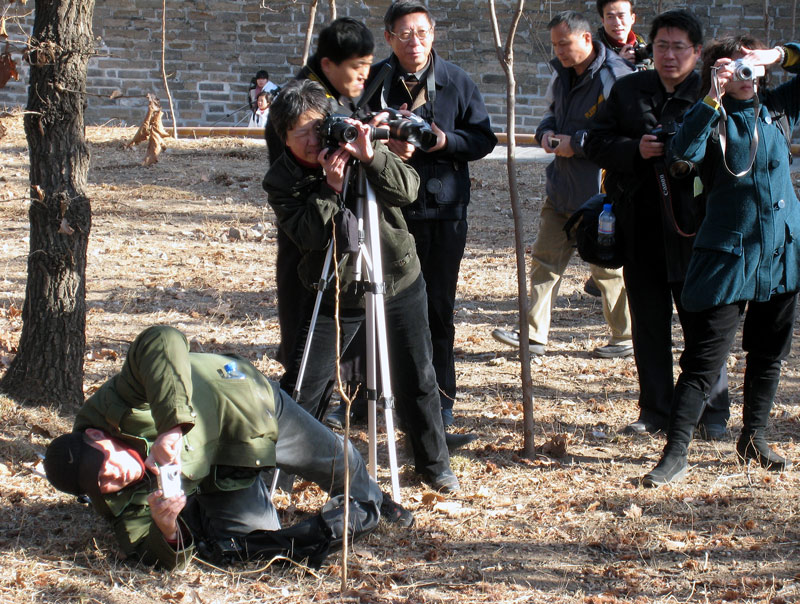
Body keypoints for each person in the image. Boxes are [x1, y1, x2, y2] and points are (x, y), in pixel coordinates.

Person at [42, 326, 412, 571]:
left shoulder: (116, 403)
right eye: (104, 484)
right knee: (258, 542)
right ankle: (215, 502)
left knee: (343, 462)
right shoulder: (107, 491)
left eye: (107, 465)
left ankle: (376, 501)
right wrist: (167, 529)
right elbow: (143, 546)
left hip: (247, 405)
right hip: (225, 472)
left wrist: (171, 427)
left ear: (98, 437)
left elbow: (162, 340)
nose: (116, 477)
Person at [263, 79, 473, 494]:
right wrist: (329, 188)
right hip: (336, 287)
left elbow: (408, 190)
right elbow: (306, 236)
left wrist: (372, 157)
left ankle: (434, 466)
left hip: (396, 274)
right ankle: (279, 475)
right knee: (308, 383)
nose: (311, 140)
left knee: (418, 376)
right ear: (283, 139)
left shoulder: (357, 145)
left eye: (316, 128)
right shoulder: (282, 179)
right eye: (299, 133)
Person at [642, 37, 800, 486]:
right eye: (735, 67)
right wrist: (713, 96)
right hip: (727, 257)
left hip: (781, 251)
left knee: (769, 352)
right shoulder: (706, 116)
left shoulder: (778, 108)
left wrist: (779, 55)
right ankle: (675, 453)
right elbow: (681, 157)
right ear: (715, 72)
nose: (744, 74)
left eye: (749, 65)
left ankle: (754, 438)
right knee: (703, 360)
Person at [585, 9, 731, 438]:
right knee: (648, 326)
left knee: (703, 326)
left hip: (696, 230)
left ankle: (712, 413)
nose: (670, 56)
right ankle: (655, 411)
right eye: (662, 46)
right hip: (641, 225)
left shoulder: (712, 94)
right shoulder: (630, 90)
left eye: (679, 47)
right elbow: (595, 141)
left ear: (698, 52)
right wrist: (636, 149)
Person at [364, 1, 497, 427]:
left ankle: (440, 400)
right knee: (379, 303)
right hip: (386, 210)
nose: (414, 42)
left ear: (433, 35)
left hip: (443, 210)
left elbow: (482, 138)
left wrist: (442, 143)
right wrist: (385, 144)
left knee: (438, 306)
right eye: (404, 34)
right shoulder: (374, 80)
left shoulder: (456, 80)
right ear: (388, 38)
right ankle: (378, 395)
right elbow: (353, 128)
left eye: (421, 33)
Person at [491, 11, 634, 361]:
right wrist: (546, 133)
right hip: (560, 190)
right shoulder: (562, 75)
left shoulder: (616, 78)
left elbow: (625, 136)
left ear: (586, 39)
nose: (559, 52)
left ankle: (625, 337)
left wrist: (579, 143)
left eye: (564, 44)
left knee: (607, 270)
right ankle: (533, 336)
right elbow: (550, 112)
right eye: (555, 45)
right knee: (544, 262)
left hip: (600, 197)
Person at [264, 19, 375, 424]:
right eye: (357, 65)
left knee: (354, 329)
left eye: (368, 64)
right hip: (308, 246)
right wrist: (331, 181)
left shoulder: (337, 101)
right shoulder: (297, 108)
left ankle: (350, 406)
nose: (364, 74)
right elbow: (298, 182)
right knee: (307, 340)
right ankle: (299, 423)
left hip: (349, 247)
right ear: (328, 64)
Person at [594, 0, 651, 70]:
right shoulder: (593, 52)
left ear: (632, 18)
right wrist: (617, 65)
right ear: (603, 20)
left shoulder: (642, 47)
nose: (617, 23)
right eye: (610, 17)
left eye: (621, 16)